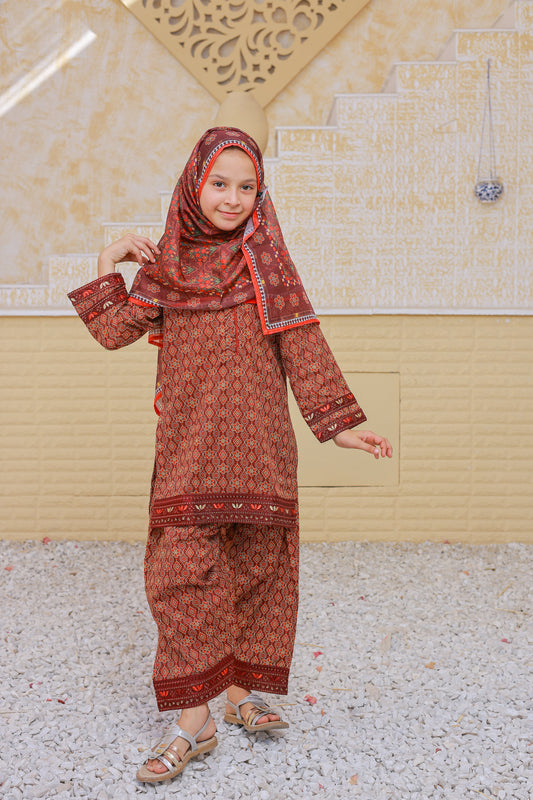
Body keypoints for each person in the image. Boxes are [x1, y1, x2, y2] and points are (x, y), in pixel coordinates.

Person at [68, 121, 392, 784]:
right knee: (179, 578)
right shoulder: (167, 268)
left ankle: (241, 692)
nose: (233, 198)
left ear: (259, 193)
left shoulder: (267, 264)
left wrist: (337, 426)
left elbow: (302, 345)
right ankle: (196, 721)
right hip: (189, 453)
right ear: (195, 184)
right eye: (220, 183)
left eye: (247, 187)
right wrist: (107, 260)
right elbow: (112, 332)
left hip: (261, 451)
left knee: (256, 573)